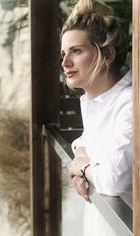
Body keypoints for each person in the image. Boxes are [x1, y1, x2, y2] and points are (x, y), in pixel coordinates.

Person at [60, 0, 132, 200]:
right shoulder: (98, 99)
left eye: (76, 51)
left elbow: (114, 180)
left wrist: (82, 167)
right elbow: (88, 139)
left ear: (107, 53)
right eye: (63, 53)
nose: (65, 63)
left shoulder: (131, 103)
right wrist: (82, 157)